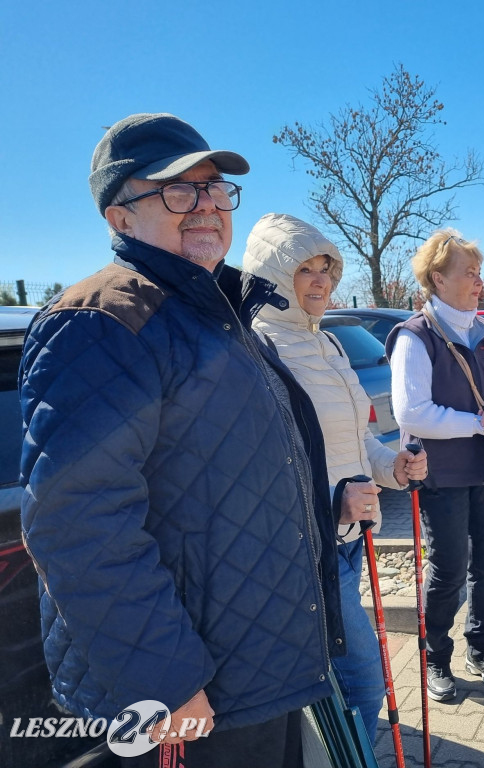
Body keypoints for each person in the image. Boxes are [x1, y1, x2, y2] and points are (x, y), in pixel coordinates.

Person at [19, 114, 347, 768]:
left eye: (214, 188)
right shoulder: (103, 322)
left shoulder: (216, 315)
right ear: (120, 218)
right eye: (177, 192)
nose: (206, 206)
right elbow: (76, 523)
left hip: (253, 671)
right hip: (190, 696)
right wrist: (164, 685)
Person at [242, 212, 428, 740]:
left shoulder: (329, 344)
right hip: (307, 550)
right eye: (305, 270)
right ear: (276, 277)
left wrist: (394, 467)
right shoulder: (258, 349)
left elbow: (354, 440)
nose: (322, 280)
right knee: (367, 682)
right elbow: (262, 470)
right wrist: (331, 504)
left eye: (327, 267)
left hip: (346, 540)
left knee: (345, 685)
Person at [386, 229, 484, 702]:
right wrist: (478, 422)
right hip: (441, 475)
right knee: (449, 568)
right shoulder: (415, 336)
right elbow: (411, 412)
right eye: (468, 273)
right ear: (437, 278)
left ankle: (482, 649)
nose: (478, 281)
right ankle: (435, 656)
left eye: (478, 272)